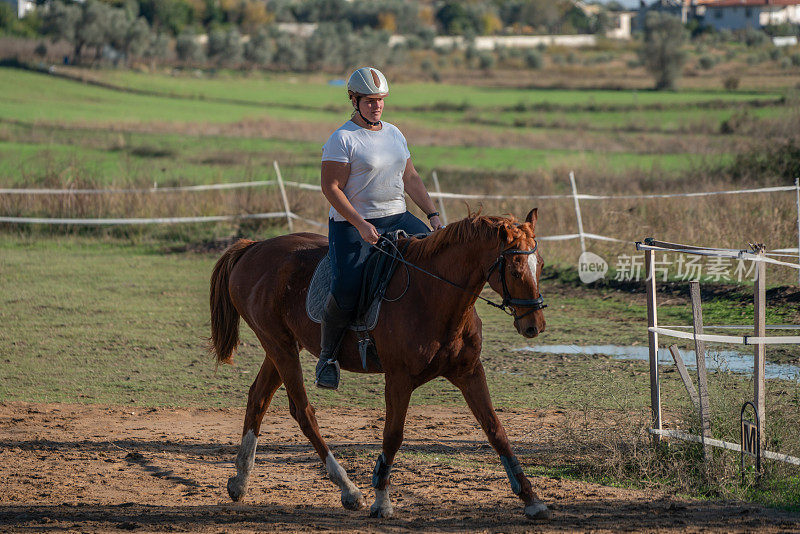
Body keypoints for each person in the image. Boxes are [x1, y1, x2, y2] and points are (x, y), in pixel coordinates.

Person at [316, 66, 443, 390]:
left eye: (381, 100)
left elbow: (410, 177)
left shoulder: (395, 134)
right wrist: (360, 225)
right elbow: (331, 188)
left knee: (439, 260)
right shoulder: (342, 139)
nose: (377, 106)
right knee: (346, 288)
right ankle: (328, 357)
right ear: (354, 100)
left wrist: (432, 215)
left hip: (398, 216)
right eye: (370, 101)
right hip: (352, 224)